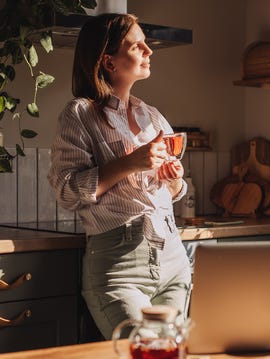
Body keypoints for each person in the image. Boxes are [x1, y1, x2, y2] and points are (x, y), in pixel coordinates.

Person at [48, 13, 191, 340]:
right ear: (108, 61)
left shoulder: (153, 117)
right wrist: (130, 163)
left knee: (172, 354)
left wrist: (174, 179)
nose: (148, 50)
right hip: (119, 268)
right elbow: (67, 192)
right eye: (137, 45)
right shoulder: (80, 114)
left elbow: (174, 192)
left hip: (173, 261)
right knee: (142, 351)